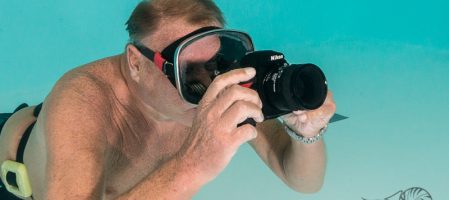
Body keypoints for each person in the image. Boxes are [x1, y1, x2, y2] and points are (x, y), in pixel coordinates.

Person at [0, 0, 336, 199]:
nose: (210, 82)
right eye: (189, 72)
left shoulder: (218, 89)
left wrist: (306, 134)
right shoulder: (84, 102)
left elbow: (303, 181)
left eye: (218, 61)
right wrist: (194, 164)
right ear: (135, 63)